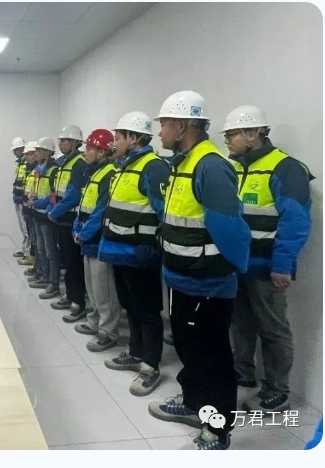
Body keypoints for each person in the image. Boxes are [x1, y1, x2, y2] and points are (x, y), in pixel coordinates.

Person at [146, 91, 251, 450]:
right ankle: (194, 403)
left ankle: (217, 430)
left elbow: (231, 229)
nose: (160, 132)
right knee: (189, 348)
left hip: (208, 282)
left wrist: (231, 268)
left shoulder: (210, 166)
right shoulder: (183, 163)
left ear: (181, 125)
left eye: (163, 125)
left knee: (212, 356)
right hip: (182, 279)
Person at [222, 105, 313, 413]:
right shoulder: (234, 168)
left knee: (273, 329)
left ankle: (277, 390)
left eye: (231, 135)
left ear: (252, 133)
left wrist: (282, 265)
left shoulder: (286, 168)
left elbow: (296, 221)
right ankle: (243, 374)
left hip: (267, 268)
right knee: (240, 323)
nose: (227, 141)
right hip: (238, 266)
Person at [100, 112, 170, 396]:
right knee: (130, 305)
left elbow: (164, 212)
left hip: (141, 254)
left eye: (118, 137)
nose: (113, 143)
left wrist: (155, 246)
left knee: (148, 310)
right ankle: (135, 351)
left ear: (134, 138)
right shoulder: (123, 167)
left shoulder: (153, 167)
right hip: (119, 252)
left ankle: (151, 365)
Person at [71, 129, 121, 352]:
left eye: (90, 148)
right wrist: (77, 228)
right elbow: (84, 205)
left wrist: (83, 233)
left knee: (104, 290)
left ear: (102, 152)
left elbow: (101, 211)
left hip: (98, 240)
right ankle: (94, 321)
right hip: (87, 239)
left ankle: (108, 331)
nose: (86, 152)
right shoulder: (94, 172)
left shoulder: (109, 174)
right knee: (92, 287)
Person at [48, 126, 90, 320]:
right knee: (67, 261)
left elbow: (73, 195)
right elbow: (58, 192)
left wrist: (54, 212)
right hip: (61, 220)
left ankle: (78, 302)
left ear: (74, 142)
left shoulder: (79, 164)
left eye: (64, 140)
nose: (60, 143)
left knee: (74, 264)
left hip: (69, 220)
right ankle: (70, 295)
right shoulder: (66, 162)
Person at [26, 137, 61, 300]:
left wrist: (40, 203)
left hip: (47, 216)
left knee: (50, 251)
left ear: (47, 152)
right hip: (37, 214)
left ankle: (52, 283)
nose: (36, 154)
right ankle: (43, 275)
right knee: (40, 249)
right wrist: (32, 198)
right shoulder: (38, 170)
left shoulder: (54, 171)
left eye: (39, 151)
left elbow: (54, 196)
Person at [19, 142, 39, 267]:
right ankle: (33, 259)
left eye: (28, 154)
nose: (26, 157)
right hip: (27, 207)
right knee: (32, 236)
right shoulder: (29, 169)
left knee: (36, 238)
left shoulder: (39, 170)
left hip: (34, 208)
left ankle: (35, 261)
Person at [10, 137, 30, 259]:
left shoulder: (27, 164)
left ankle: (28, 253)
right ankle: (25, 250)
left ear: (22, 148)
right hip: (17, 199)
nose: (14, 152)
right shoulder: (20, 163)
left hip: (24, 200)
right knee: (22, 228)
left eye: (16, 150)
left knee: (26, 228)